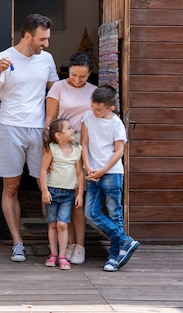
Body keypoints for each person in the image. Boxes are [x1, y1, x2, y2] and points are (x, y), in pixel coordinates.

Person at [0, 13, 59, 262]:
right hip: (9, 128)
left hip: (39, 130)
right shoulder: (3, 59)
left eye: (47, 39)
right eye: (42, 39)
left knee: (46, 186)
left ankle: (54, 246)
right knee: (11, 186)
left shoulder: (46, 59)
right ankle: (17, 242)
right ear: (27, 35)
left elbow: (56, 93)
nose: (46, 44)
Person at [45, 52, 96, 264]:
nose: (77, 80)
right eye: (74, 75)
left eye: (82, 77)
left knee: (78, 198)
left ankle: (80, 246)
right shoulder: (58, 87)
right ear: (69, 70)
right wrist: (48, 148)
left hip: (83, 146)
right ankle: (67, 245)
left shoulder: (94, 92)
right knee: (63, 193)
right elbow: (49, 119)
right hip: (61, 146)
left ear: (90, 74)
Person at [81, 85, 139, 272]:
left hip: (112, 173)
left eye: (98, 109)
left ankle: (114, 257)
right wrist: (88, 167)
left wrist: (103, 170)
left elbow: (119, 151)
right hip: (92, 173)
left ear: (110, 108)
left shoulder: (116, 124)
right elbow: (83, 143)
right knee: (90, 212)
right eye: (93, 106)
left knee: (115, 214)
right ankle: (124, 240)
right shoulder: (88, 117)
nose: (94, 111)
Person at [39, 118, 84, 270]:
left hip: (68, 194)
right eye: (69, 128)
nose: (73, 130)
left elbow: (79, 173)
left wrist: (79, 194)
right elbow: (44, 169)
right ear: (58, 135)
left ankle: (63, 255)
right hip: (52, 192)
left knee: (62, 224)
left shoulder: (77, 150)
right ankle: (53, 254)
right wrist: (44, 190)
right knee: (52, 225)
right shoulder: (52, 149)